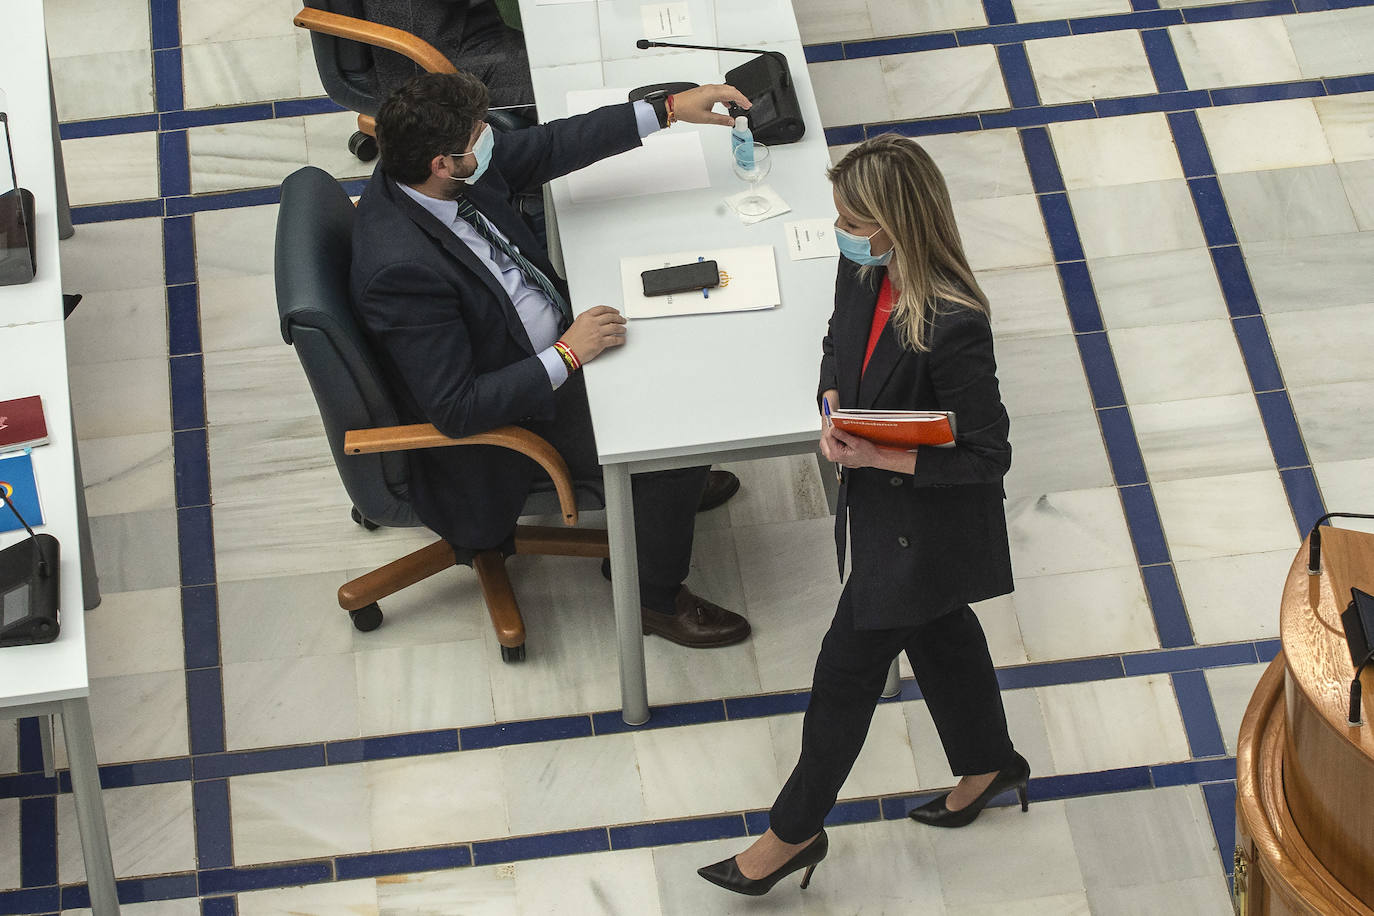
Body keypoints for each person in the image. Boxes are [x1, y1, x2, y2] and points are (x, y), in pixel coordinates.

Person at [698, 134, 1029, 896]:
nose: (842, 230)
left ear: (895, 222)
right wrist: (830, 403)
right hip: (886, 511)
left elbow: (988, 455)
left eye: (853, 218)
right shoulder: (861, 267)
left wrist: (883, 458)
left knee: (844, 678)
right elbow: (834, 346)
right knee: (943, 632)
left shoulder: (953, 321)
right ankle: (990, 763)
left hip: (925, 525)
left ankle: (791, 835)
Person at [351, 71, 754, 648]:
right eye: (479, 134)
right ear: (444, 162)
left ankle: (666, 499)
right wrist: (569, 353)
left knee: (685, 352)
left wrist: (665, 109)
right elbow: (456, 408)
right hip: (520, 407)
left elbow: (547, 146)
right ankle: (654, 595)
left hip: (550, 337)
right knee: (674, 436)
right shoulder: (401, 270)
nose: (491, 138)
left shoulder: (432, 177)